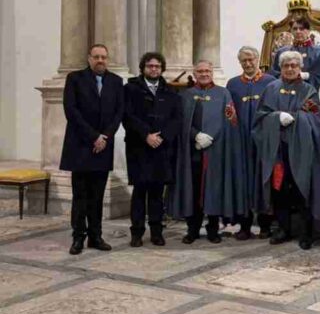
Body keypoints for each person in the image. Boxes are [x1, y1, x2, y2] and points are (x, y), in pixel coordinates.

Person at [167, 60, 247, 244]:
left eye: (207, 71)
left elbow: (230, 120)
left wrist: (212, 137)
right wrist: (196, 136)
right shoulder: (186, 95)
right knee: (193, 190)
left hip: (216, 151)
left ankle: (213, 230)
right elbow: (181, 121)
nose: (204, 74)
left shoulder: (223, 93)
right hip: (193, 151)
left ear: (212, 73)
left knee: (214, 190)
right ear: (195, 74)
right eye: (200, 71)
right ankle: (192, 230)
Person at [253, 50, 320, 249]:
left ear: (300, 67)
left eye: (294, 65)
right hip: (277, 149)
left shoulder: (309, 90)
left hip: (301, 150)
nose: (290, 69)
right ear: (281, 68)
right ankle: (283, 229)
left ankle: (306, 233)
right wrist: (276, 117)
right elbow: (260, 117)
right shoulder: (271, 88)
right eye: (286, 66)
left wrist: (297, 118)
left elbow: (315, 118)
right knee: (280, 190)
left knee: (302, 190)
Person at [61, 44, 124, 255]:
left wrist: (104, 136)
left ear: (108, 59)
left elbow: (118, 113)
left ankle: (96, 236)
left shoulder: (116, 81)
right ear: (89, 59)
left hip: (103, 146)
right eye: (96, 57)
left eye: (104, 57)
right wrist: (94, 136)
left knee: (97, 196)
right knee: (80, 196)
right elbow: (71, 111)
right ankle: (78, 237)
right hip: (80, 145)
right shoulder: (75, 79)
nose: (100, 60)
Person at [123, 52, 181, 247]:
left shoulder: (171, 91)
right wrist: (146, 135)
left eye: (157, 66)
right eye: (150, 66)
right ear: (143, 68)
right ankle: (137, 233)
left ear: (162, 68)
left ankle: (157, 232)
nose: (154, 69)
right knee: (139, 192)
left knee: (157, 192)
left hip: (161, 148)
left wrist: (162, 137)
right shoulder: (130, 89)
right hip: (139, 147)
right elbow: (128, 116)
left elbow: (176, 119)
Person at [226, 46, 276, 240]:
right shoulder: (233, 84)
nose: (248, 63)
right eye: (244, 61)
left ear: (257, 59)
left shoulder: (270, 82)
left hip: (263, 142)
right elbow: (229, 113)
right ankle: (244, 226)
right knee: (243, 183)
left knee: (264, 182)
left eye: (251, 59)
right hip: (241, 143)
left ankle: (265, 225)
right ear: (240, 62)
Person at [272, 17, 320, 90]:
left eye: (302, 29)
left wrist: (307, 76)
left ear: (308, 31)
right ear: (291, 31)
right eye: (295, 29)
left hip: (309, 93)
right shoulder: (282, 52)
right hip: (285, 91)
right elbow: (274, 75)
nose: (298, 31)